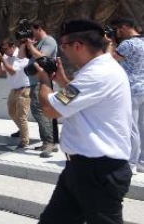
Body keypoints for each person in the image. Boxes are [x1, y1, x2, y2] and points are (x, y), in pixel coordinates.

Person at [36, 19, 132, 223]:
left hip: (98, 172)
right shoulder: (97, 70)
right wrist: (62, 81)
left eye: (64, 46)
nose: (63, 52)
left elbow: (51, 109)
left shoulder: (97, 74)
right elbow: (80, 99)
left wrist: (44, 80)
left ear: (78, 45)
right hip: (80, 169)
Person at [107, 17, 144, 174]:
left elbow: (109, 60)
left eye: (119, 29)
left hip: (131, 90)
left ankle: (131, 162)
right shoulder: (142, 42)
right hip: (142, 88)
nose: (118, 32)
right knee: (142, 127)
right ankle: (142, 161)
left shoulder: (127, 44)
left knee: (131, 128)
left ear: (125, 27)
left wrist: (109, 43)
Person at [23, 20, 58, 158]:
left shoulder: (48, 41)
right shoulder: (37, 43)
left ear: (39, 29)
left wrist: (31, 47)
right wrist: (27, 45)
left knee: (40, 111)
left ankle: (49, 141)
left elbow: (42, 56)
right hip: (36, 81)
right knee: (40, 112)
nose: (31, 34)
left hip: (42, 82)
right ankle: (48, 141)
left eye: (32, 31)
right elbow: (22, 56)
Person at [0, 38, 31, 149]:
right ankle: (22, 130)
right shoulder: (5, 56)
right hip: (14, 89)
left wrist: (2, 59)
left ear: (12, 46)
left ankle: (24, 141)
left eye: (5, 49)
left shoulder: (21, 55)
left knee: (21, 116)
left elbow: (12, 71)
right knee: (11, 112)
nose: (4, 51)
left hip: (24, 88)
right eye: (2, 49)